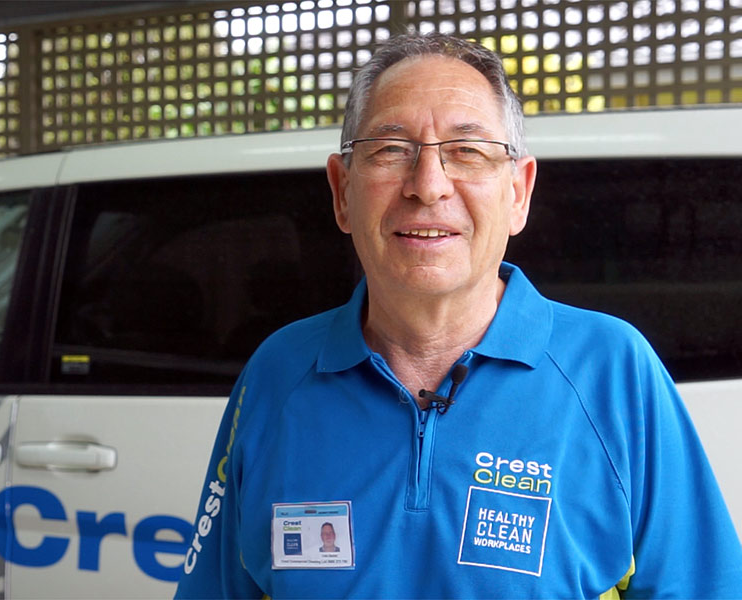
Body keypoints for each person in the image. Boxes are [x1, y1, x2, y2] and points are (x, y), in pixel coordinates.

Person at [175, 32, 742, 598]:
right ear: (342, 191)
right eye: (390, 149)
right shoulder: (278, 372)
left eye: (467, 150)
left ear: (518, 192)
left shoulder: (613, 371)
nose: (428, 186)